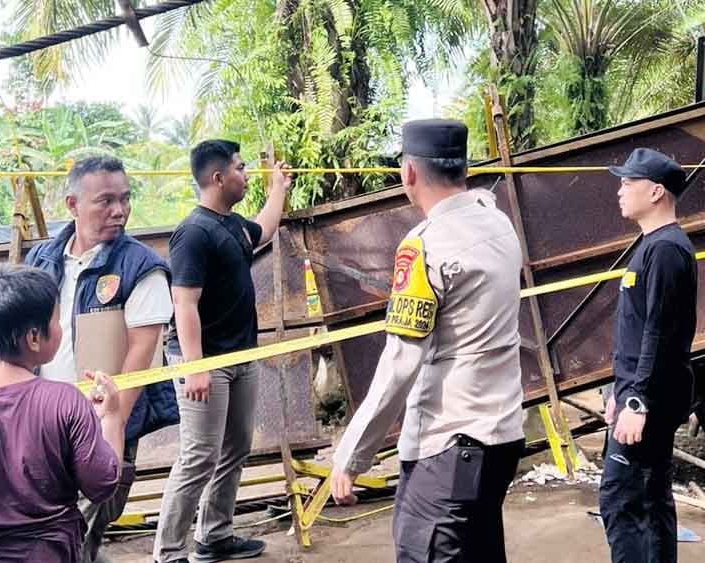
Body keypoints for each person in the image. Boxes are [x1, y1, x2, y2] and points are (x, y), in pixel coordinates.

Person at [330, 119, 526, 562]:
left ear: (410, 173)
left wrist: (352, 454)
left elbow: (401, 361)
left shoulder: (423, 246)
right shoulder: (500, 226)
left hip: (448, 449)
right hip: (502, 440)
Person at [25, 155, 176, 563]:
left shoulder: (142, 267)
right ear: (72, 205)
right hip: (44, 420)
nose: (120, 210)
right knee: (50, 529)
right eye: (105, 200)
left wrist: (110, 432)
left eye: (125, 199)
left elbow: (140, 358)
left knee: (80, 528)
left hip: (102, 423)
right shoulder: (40, 260)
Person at [153, 140, 291, 563]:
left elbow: (263, 230)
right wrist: (195, 368)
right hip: (204, 361)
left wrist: (278, 189)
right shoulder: (194, 233)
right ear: (218, 178)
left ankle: (214, 536)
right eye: (241, 168)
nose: (245, 174)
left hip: (238, 357)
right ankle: (169, 552)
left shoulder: (231, 225)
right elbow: (184, 304)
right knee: (199, 456)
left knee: (235, 448)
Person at [0, 265, 123, 563]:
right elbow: (102, 484)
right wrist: (111, 419)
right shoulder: (64, 401)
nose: (60, 328)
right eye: (57, 320)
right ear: (34, 337)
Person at [599, 148, 698, 563]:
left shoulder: (666, 251)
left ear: (656, 191)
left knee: (624, 502)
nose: (619, 191)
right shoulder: (652, 246)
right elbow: (636, 330)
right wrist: (618, 394)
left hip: (650, 402)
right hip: (640, 396)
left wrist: (637, 401)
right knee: (649, 500)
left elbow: (659, 334)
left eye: (628, 183)